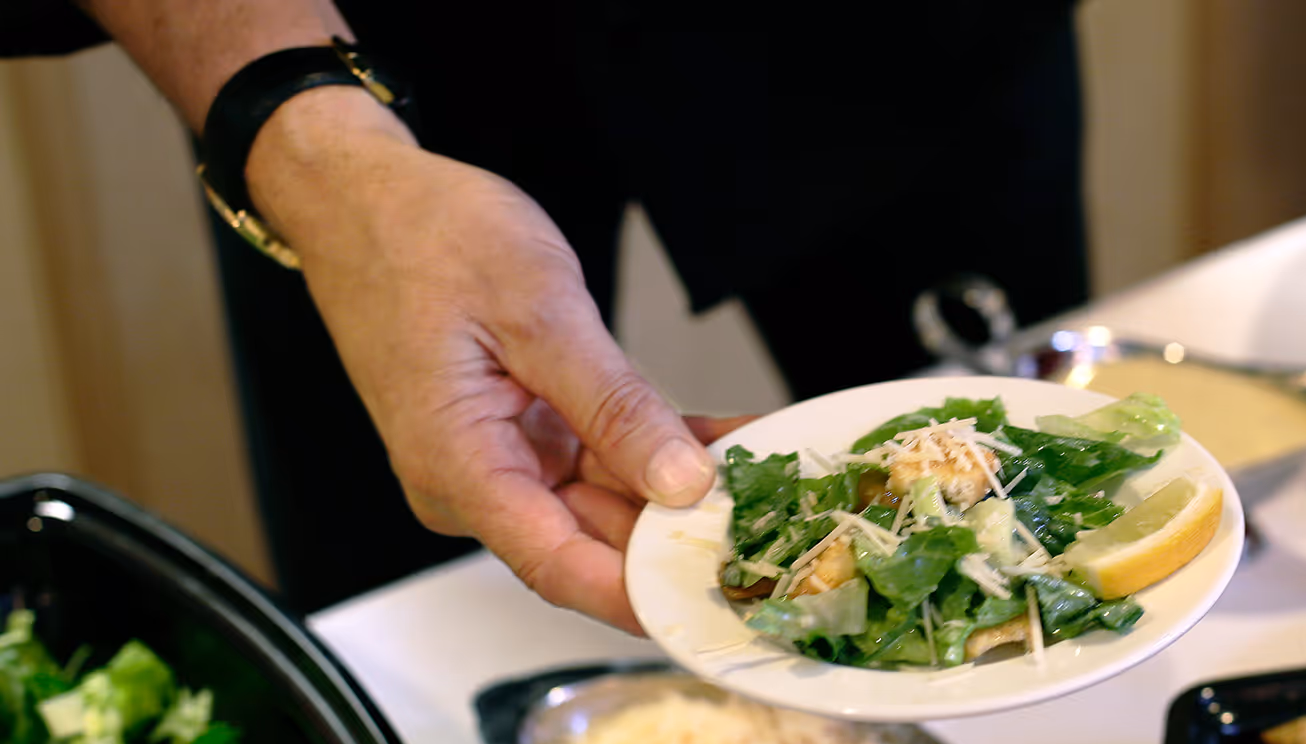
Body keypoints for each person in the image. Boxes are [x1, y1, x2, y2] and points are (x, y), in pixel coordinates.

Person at [4, 2, 1092, 631]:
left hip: (893, 41)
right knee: (418, 623)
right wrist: (299, 135)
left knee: (1024, 560)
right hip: (367, 81)